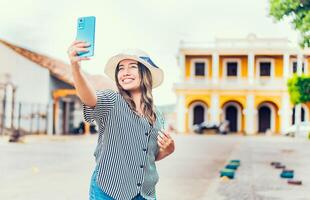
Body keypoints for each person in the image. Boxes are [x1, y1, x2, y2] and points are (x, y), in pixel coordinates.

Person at [67, 40, 175, 200]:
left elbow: (150, 156)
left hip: (145, 194)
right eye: (121, 69)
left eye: (132, 67)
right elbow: (89, 98)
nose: (125, 72)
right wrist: (75, 67)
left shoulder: (157, 115)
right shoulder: (112, 101)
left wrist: (168, 149)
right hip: (109, 190)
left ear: (146, 73)